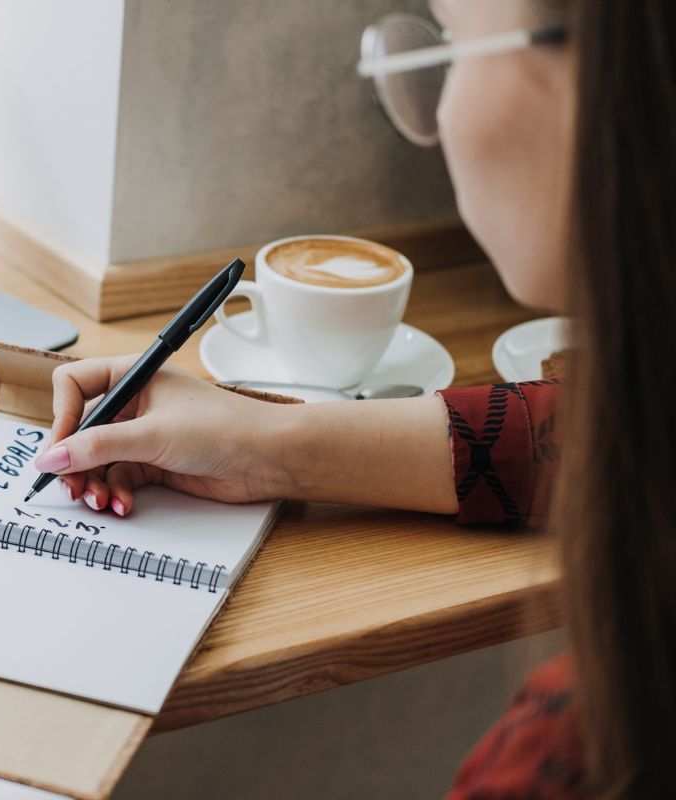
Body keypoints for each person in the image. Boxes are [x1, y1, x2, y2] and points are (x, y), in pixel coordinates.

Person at [34, 0, 676, 796]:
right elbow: (598, 433)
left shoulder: (589, 750)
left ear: (606, 78)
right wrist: (265, 446)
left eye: (455, 48)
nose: (440, 116)